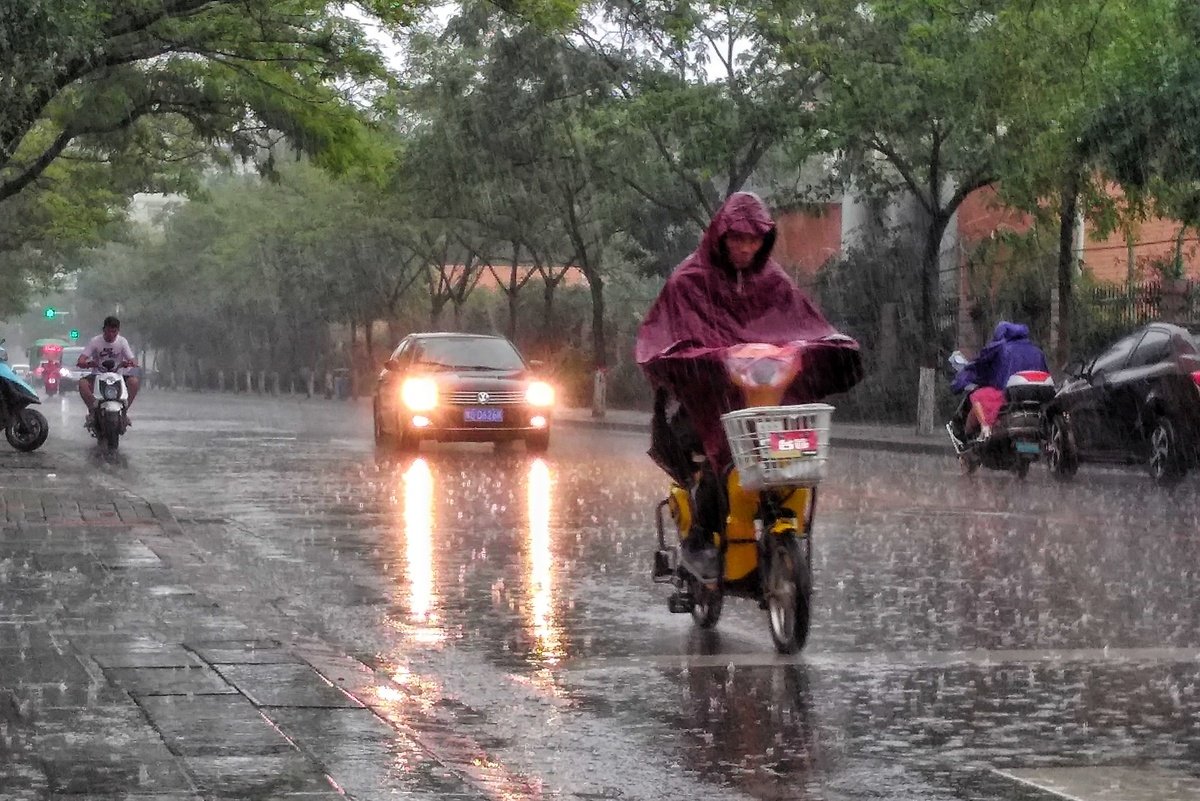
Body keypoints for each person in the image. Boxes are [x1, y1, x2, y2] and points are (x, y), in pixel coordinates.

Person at [636, 192, 863, 580]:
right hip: (705, 400)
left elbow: (803, 325)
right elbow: (667, 340)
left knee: (791, 450)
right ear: (721, 237)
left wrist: (820, 346)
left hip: (764, 400)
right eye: (738, 239)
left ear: (765, 240)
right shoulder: (689, 282)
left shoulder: (773, 282)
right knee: (716, 455)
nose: (746, 248)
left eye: (754, 240)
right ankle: (700, 536)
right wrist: (710, 361)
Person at [951, 321, 1048, 440]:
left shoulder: (1000, 348)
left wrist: (960, 381)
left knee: (977, 397)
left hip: (1006, 397)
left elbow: (979, 366)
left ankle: (984, 430)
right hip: (1037, 401)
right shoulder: (1037, 351)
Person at [78, 316, 139, 427]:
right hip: (98, 375)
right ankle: (93, 411)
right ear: (104, 330)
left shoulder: (122, 342)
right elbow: (81, 360)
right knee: (82, 383)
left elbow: (133, 360)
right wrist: (89, 364)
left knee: (134, 382)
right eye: (108, 331)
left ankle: (124, 412)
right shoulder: (95, 341)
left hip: (118, 376)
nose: (111, 335)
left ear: (118, 331)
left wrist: (129, 363)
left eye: (114, 332)